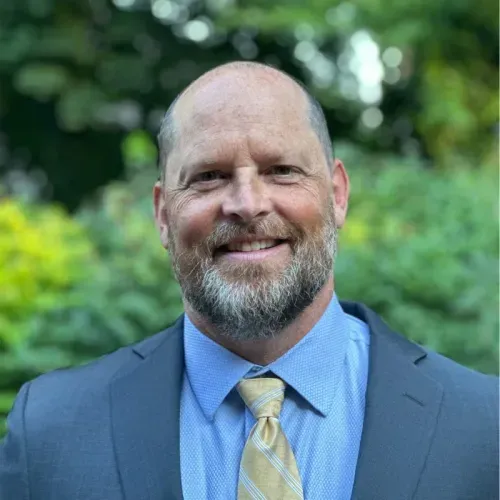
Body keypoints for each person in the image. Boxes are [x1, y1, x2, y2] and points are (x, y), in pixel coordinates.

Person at [0, 61, 498, 500]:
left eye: (281, 170)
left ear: (337, 195)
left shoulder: (482, 428)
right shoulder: (51, 432)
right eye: (209, 176)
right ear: (163, 214)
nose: (247, 204)